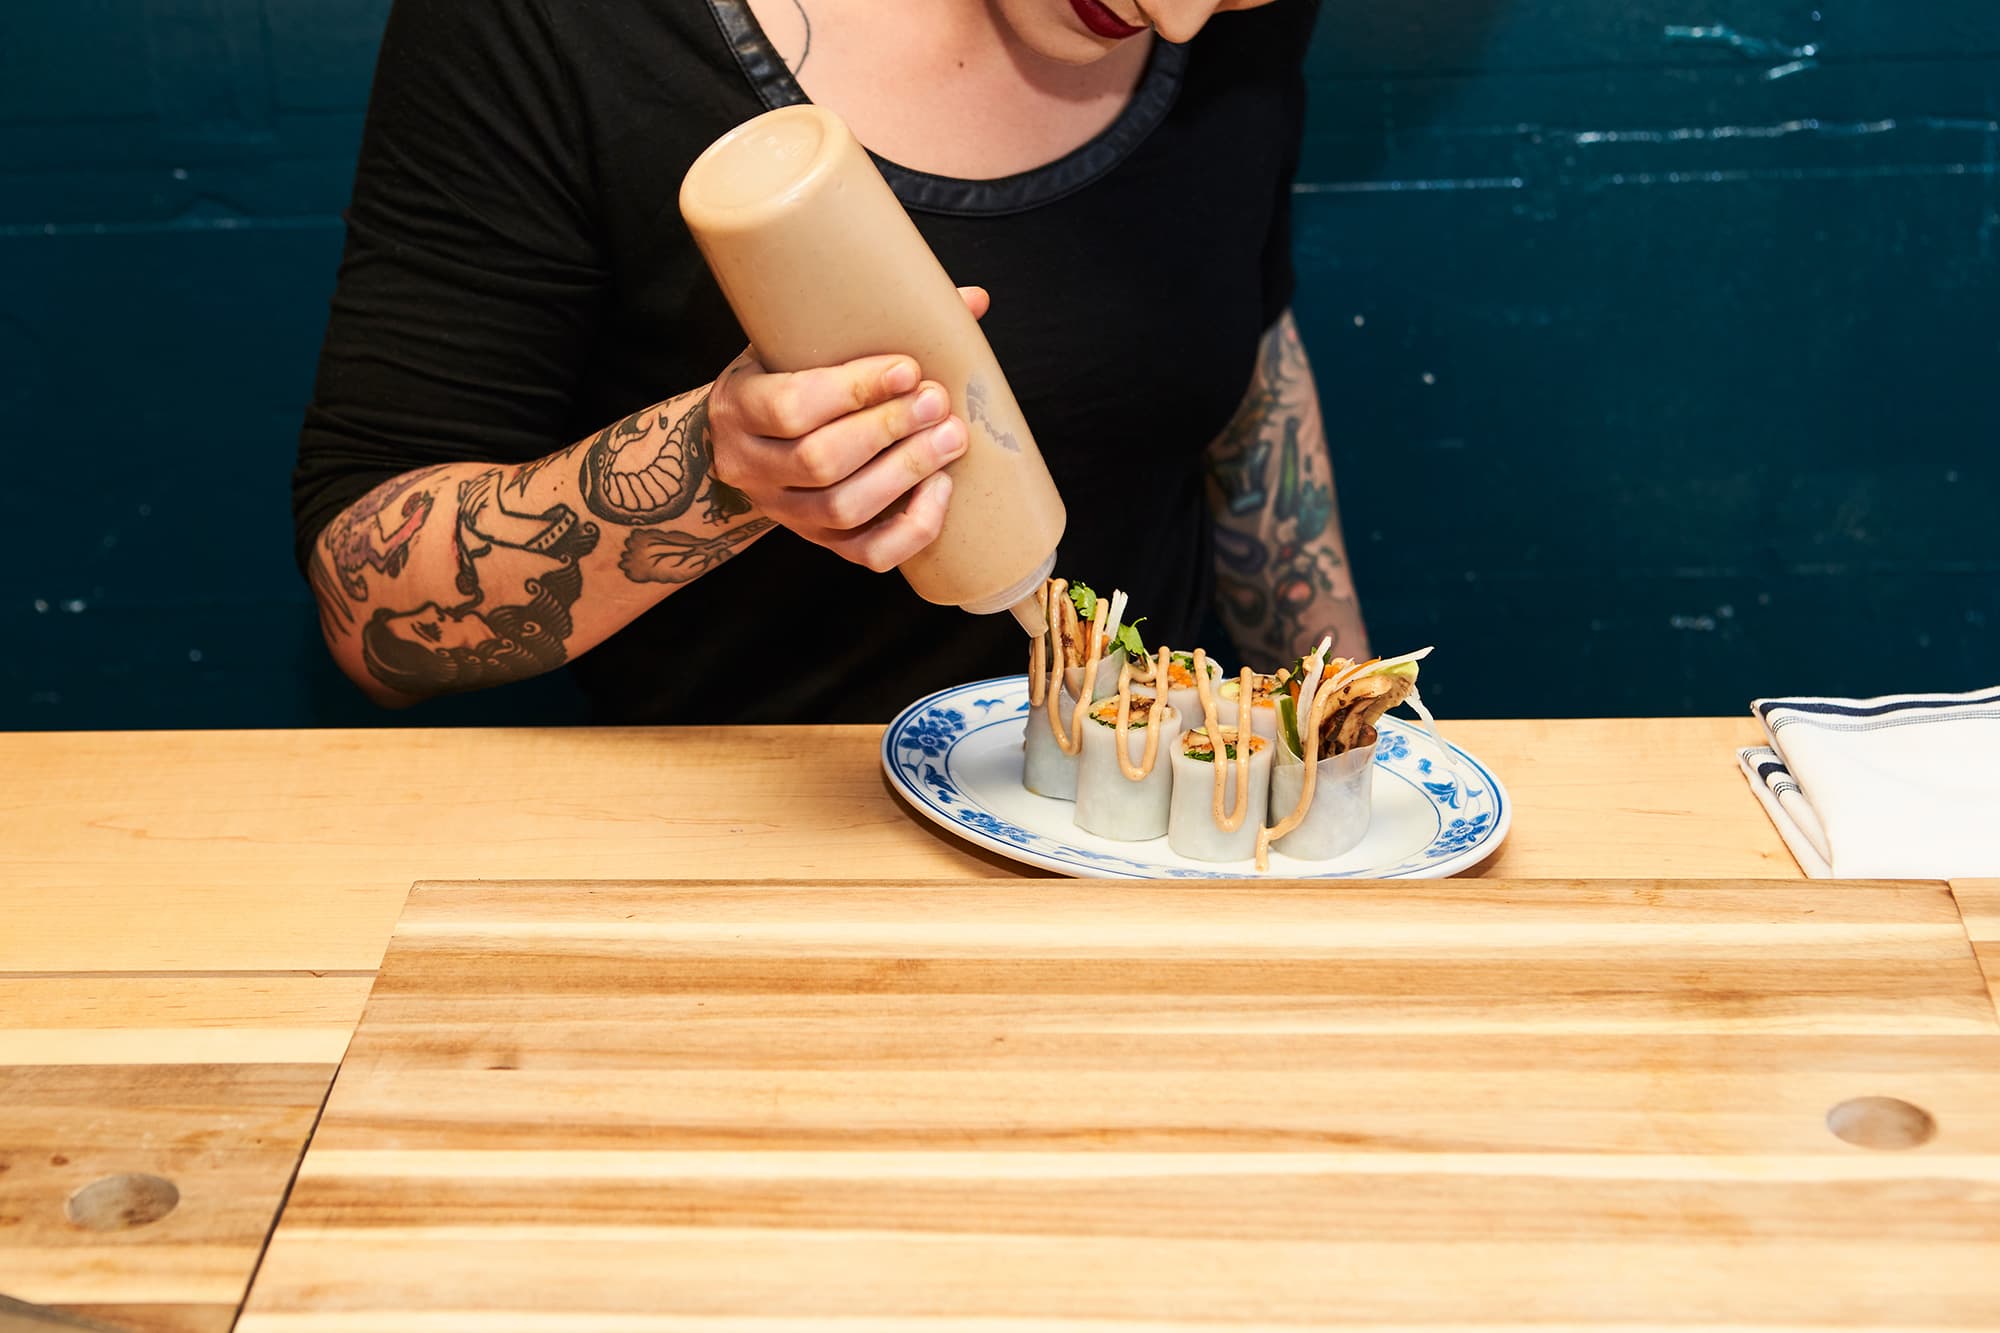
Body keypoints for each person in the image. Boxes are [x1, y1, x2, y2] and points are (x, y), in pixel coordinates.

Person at [294, 0, 1368, 723]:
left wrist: (1344, 732)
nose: (1179, 15)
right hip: (746, 872)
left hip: (1134, 820)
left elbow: (1245, 366)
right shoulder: (554, 26)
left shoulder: (1232, 19)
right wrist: (713, 468)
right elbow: (361, 600)